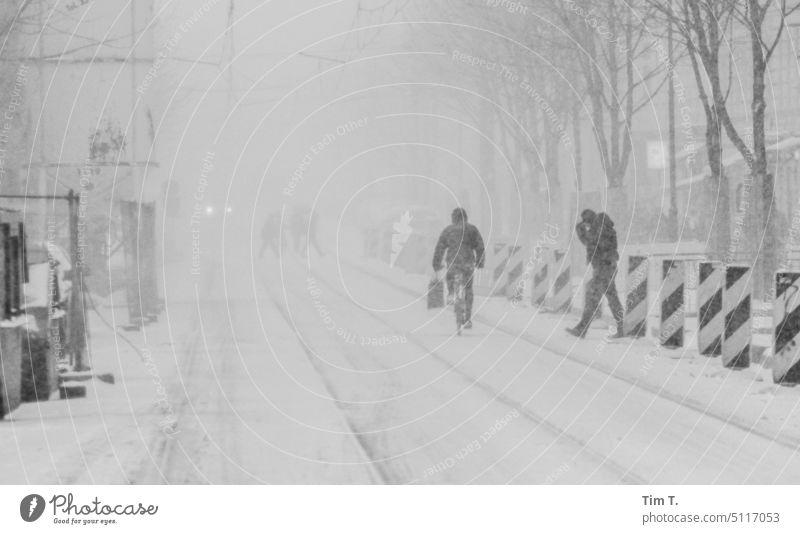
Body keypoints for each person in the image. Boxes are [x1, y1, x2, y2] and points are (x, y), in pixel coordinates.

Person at [567, 209, 625, 338]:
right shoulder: (601, 228)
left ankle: (581, 329)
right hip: (607, 268)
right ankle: (622, 328)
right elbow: (591, 243)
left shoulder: (601, 229)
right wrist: (581, 230)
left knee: (593, 298)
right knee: (611, 297)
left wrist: (581, 230)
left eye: (587, 223)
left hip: (604, 268)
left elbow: (593, 243)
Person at [432, 207, 485, 329]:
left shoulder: (448, 230)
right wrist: (480, 261)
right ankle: (468, 319)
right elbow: (480, 246)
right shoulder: (472, 230)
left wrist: (436, 264)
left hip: (453, 262)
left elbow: (439, 248)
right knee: (468, 288)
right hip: (467, 263)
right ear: (465, 218)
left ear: (453, 219)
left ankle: (451, 294)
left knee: (450, 276)